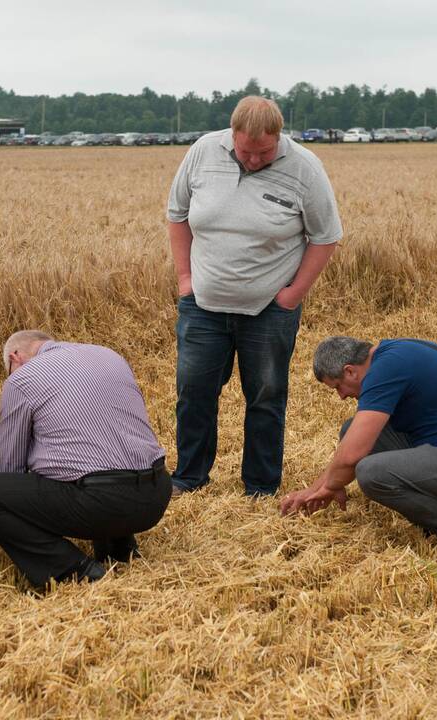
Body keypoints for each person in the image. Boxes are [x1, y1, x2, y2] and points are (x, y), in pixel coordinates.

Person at [166, 95, 343, 497]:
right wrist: (184, 279)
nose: (253, 160)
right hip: (203, 306)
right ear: (232, 135)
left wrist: (293, 295)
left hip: (268, 310)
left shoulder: (305, 168)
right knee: (194, 393)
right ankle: (189, 477)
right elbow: (177, 214)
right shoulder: (203, 152)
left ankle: (260, 486)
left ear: (278, 138)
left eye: (264, 152)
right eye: (246, 151)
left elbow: (326, 237)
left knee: (265, 396)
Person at [280, 336, 437, 567]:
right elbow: (355, 442)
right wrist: (320, 486)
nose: (342, 396)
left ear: (350, 370)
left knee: (371, 473)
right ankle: (433, 516)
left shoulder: (386, 370)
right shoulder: (390, 355)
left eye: (338, 387)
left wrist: (328, 487)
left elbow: (353, 455)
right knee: (352, 429)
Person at [0, 330, 171, 590]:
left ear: (14, 357)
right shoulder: (109, 355)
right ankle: (119, 549)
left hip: (101, 503)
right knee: (97, 459)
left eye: (8, 369)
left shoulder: (22, 380)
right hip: (156, 495)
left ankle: (72, 571)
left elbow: (12, 468)